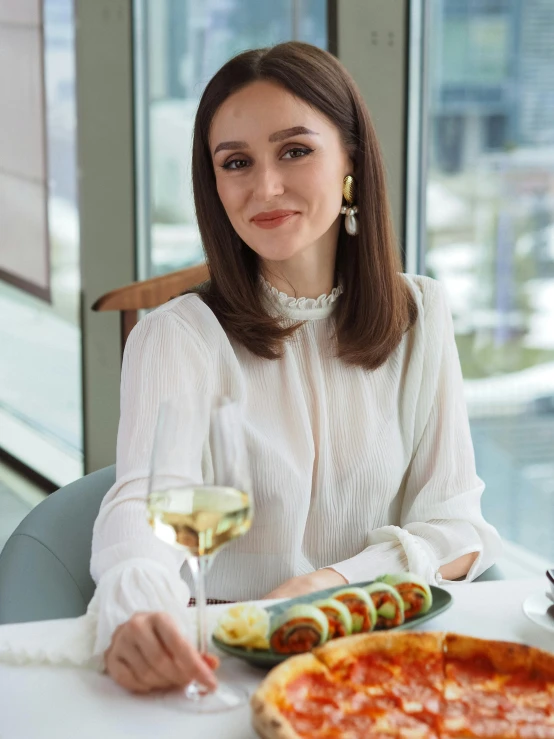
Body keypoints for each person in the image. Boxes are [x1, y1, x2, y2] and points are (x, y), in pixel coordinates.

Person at [89, 41, 502, 695]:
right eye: (235, 162)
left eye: (295, 150)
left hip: (378, 668)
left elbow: (457, 526)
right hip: (224, 666)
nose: (265, 187)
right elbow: (142, 512)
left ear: (351, 160)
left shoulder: (421, 315)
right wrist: (134, 606)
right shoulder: (176, 337)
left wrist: (330, 583)